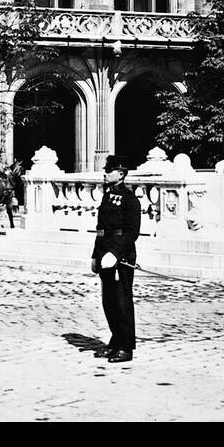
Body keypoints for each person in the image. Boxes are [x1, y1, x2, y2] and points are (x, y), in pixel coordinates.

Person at [90, 154, 141, 363]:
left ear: (120, 174)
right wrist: (96, 255)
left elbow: (132, 232)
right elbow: (101, 230)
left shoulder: (130, 199)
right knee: (109, 301)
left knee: (122, 302)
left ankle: (126, 347)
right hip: (104, 254)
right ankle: (115, 341)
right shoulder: (106, 196)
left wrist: (116, 254)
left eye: (109, 170)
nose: (105, 173)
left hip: (120, 256)